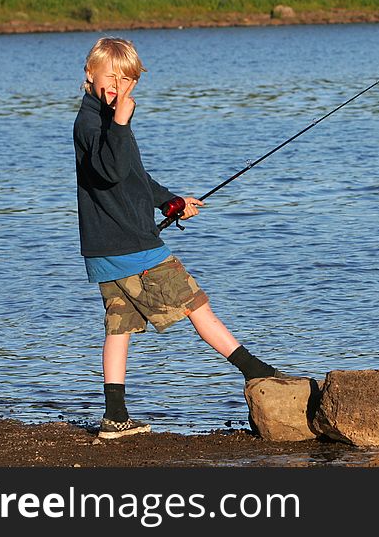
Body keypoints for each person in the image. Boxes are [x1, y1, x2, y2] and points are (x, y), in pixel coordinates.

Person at [74, 36, 283, 439]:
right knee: (196, 304)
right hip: (132, 246)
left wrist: (169, 202)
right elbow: (111, 172)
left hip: (107, 249)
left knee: (119, 326)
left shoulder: (102, 119)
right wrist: (121, 121)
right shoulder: (91, 124)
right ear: (90, 73)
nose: (117, 88)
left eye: (126, 82)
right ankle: (257, 372)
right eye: (110, 78)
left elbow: (133, 179)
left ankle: (114, 416)